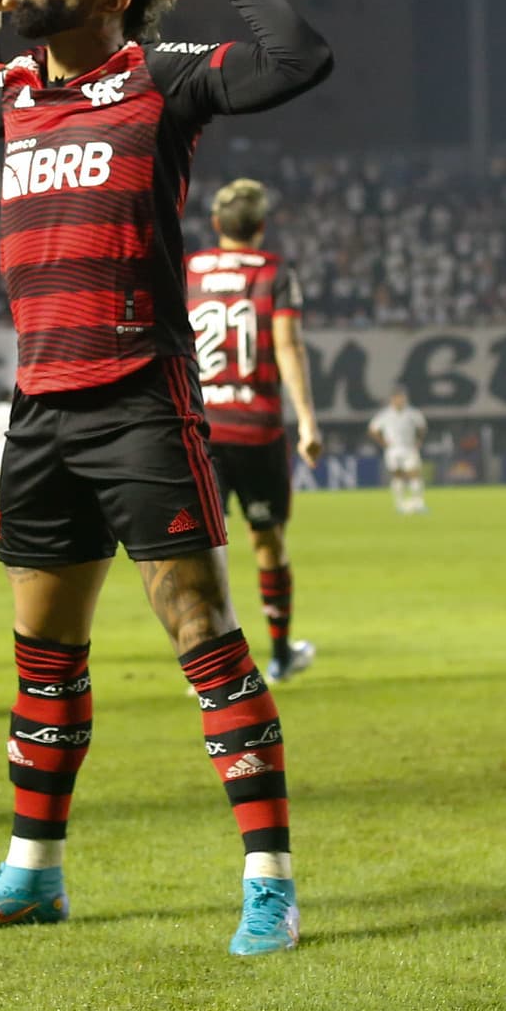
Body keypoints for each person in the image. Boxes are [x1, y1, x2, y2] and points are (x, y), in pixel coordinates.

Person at [0, 0, 332, 955]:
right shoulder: (14, 89)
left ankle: (269, 883)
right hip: (39, 405)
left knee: (201, 634)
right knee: (42, 655)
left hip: (138, 397)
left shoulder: (160, 76)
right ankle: (31, 876)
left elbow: (300, 56)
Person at [185, 178, 326, 683]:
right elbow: (288, 346)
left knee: (203, 553)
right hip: (257, 432)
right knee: (267, 542)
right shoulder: (274, 272)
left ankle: (208, 670)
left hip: (197, 432)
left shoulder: (188, 270)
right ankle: (281, 654)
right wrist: (307, 418)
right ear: (262, 227)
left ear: (217, 224)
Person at [369, 388, 429, 514]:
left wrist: (419, 440)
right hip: (393, 449)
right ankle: (399, 503)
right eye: (397, 398)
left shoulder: (412, 413)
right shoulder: (385, 415)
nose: (399, 400)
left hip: (409, 447)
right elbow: (372, 429)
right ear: (392, 400)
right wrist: (383, 442)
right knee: (397, 475)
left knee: (414, 473)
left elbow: (422, 427)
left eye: (401, 398)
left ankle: (418, 502)